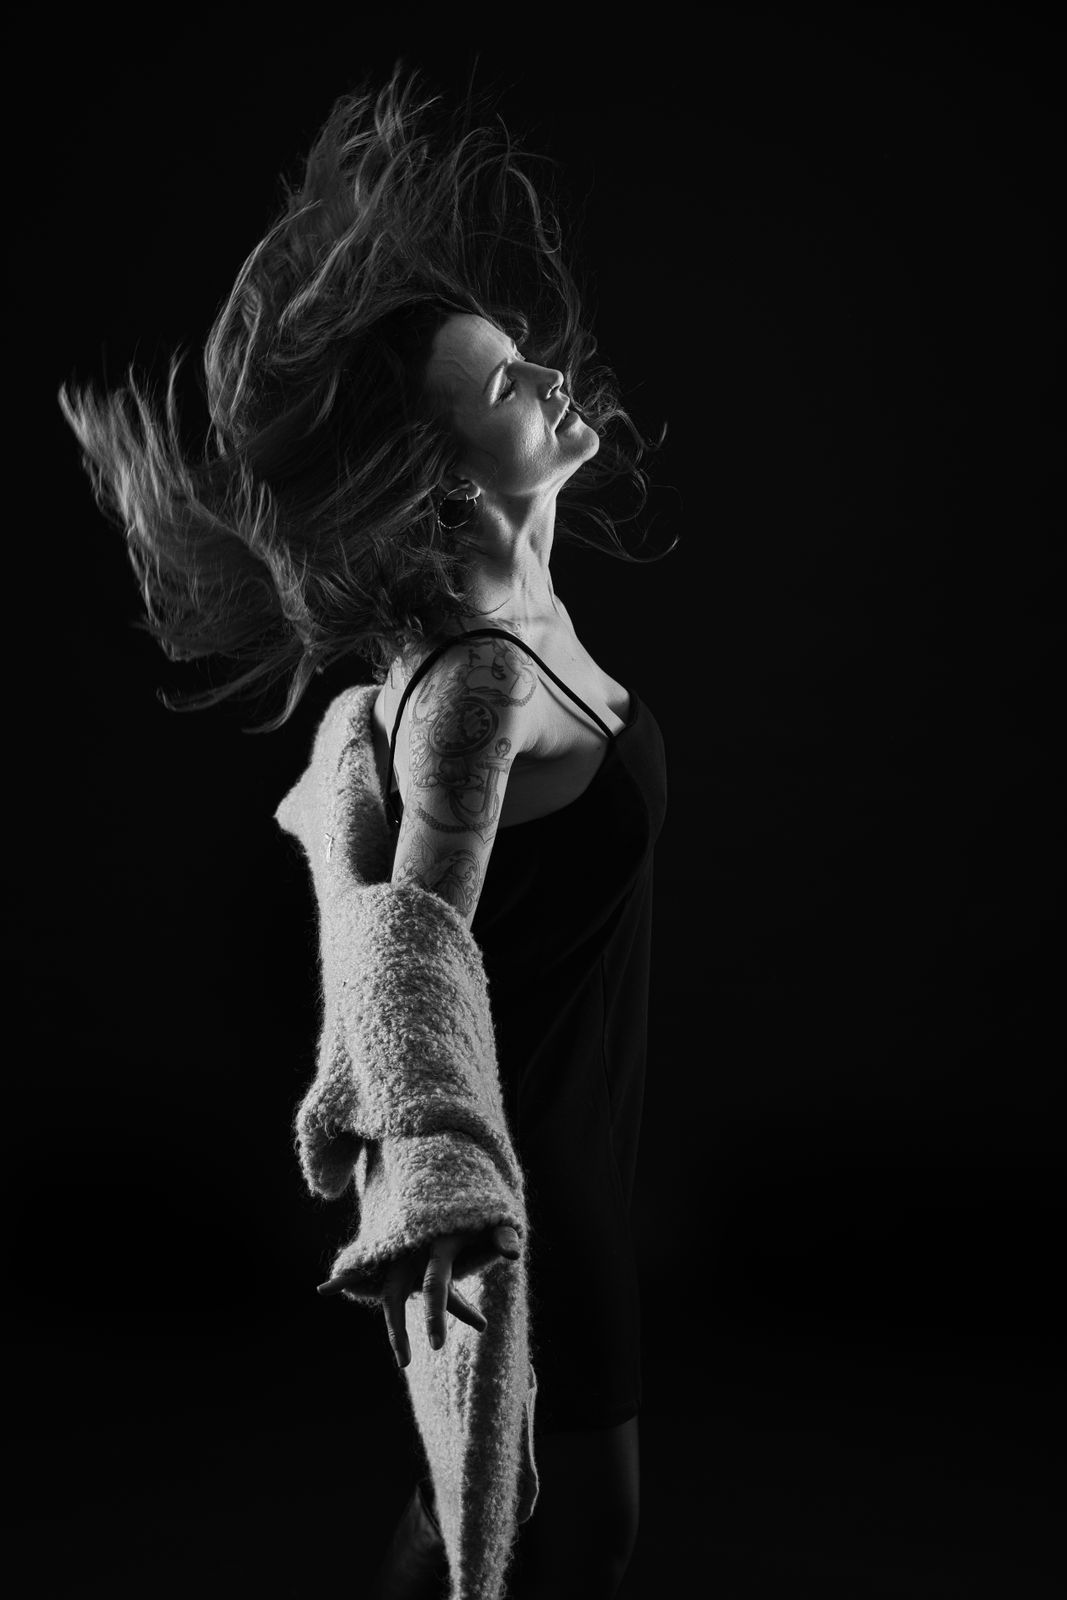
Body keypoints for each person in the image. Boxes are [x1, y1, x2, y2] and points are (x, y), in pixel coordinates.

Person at [58, 61, 674, 1599]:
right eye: (508, 387)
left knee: (516, 1505)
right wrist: (446, 1209)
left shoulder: (522, 606)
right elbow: (412, 959)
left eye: (521, 359)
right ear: (449, 480)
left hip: (584, 1129)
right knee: (550, 1520)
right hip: (526, 1172)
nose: (549, 379)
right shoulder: (476, 687)